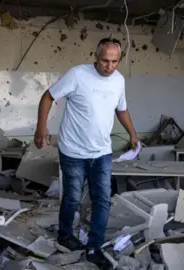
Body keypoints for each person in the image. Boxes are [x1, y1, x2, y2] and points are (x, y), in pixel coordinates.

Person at [34, 37, 139, 268]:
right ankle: (64, 235)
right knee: (72, 197)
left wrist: (132, 133)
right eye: (105, 60)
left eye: (114, 61)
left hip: (101, 152)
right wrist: (41, 127)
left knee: (102, 199)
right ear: (95, 56)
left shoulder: (118, 80)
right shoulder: (77, 75)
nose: (109, 66)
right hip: (73, 151)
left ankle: (94, 247)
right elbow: (48, 97)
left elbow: (121, 109)